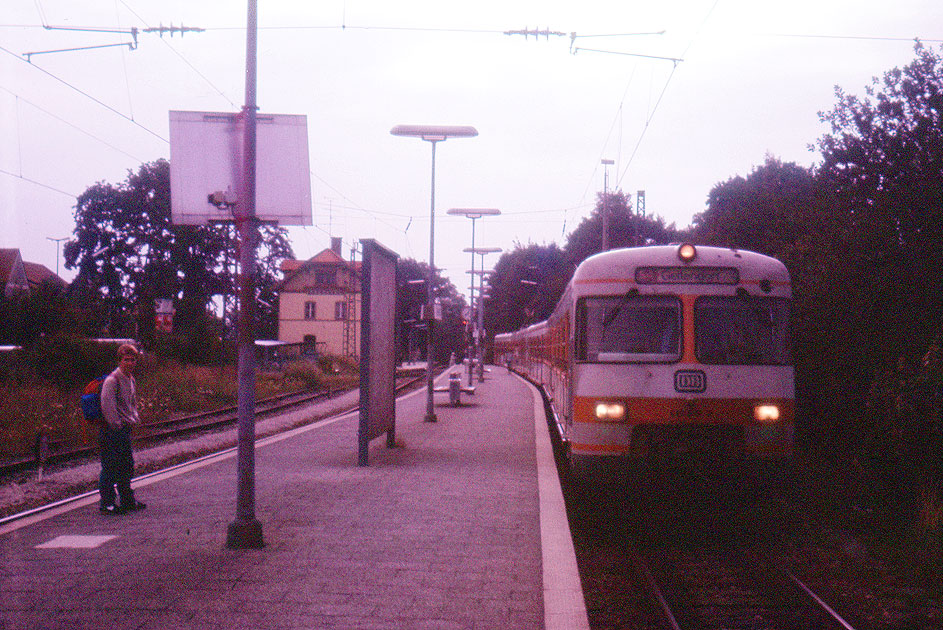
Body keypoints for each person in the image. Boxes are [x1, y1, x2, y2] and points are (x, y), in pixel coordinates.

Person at [98, 343, 146, 515]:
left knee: (126, 466)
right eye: (126, 360)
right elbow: (107, 405)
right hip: (112, 430)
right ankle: (107, 503)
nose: (130, 363)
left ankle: (127, 499)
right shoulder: (112, 380)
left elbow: (131, 403)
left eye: (133, 360)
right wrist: (116, 424)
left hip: (125, 428)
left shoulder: (131, 380)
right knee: (110, 466)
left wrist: (134, 419)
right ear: (120, 361)